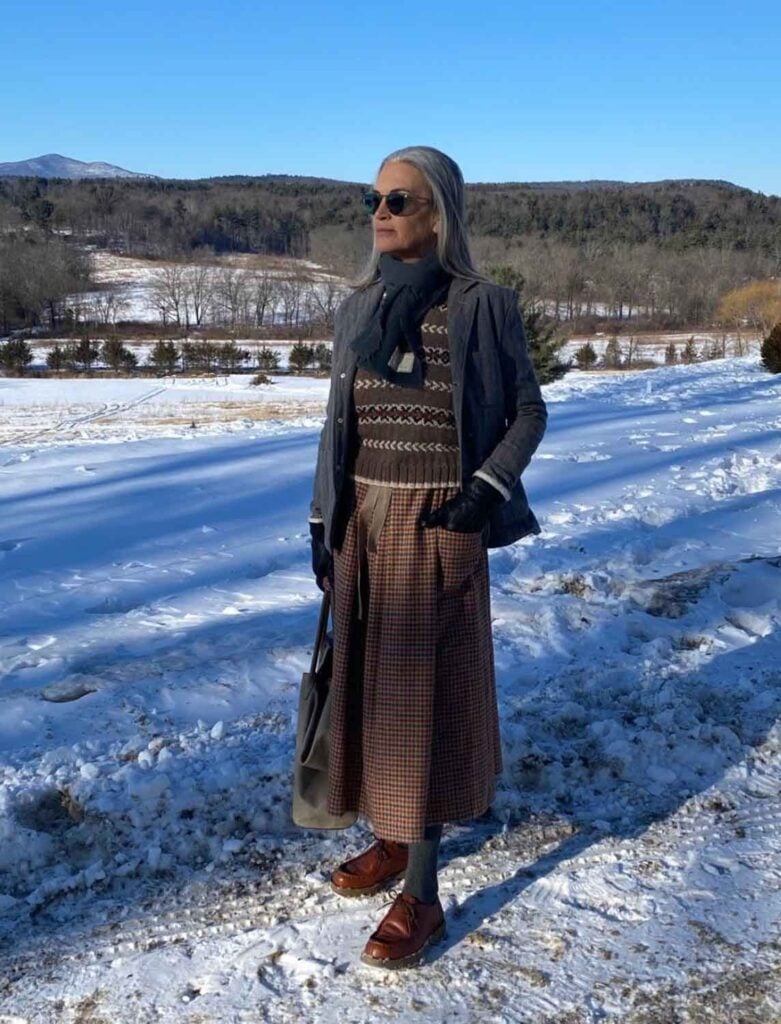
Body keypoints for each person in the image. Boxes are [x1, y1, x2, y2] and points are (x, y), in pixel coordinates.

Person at [307, 145, 547, 970]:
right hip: (362, 521)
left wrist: (484, 490)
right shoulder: (358, 307)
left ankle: (423, 889)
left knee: (426, 703)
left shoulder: (484, 306)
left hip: (439, 519)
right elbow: (337, 424)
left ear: (438, 212)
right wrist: (321, 520)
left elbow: (527, 411)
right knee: (366, 694)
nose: (380, 212)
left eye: (398, 199)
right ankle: (391, 834)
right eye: (372, 198)